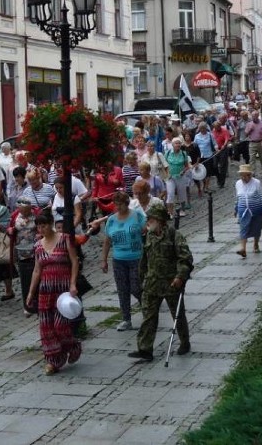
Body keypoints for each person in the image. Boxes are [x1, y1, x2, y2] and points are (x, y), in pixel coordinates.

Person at [128, 204, 193, 362]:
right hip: (152, 284)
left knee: (177, 316)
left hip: (171, 284)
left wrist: (180, 277)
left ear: (159, 219)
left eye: (150, 218)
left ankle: (185, 342)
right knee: (148, 317)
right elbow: (145, 258)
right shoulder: (149, 236)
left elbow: (185, 259)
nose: (148, 221)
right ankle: (145, 349)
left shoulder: (174, 235)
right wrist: (141, 277)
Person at [26, 210, 81, 375]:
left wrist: (72, 283)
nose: (41, 229)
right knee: (47, 327)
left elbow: (74, 261)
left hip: (62, 289)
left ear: (50, 224)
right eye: (38, 227)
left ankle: (72, 345)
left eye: (43, 226)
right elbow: (37, 270)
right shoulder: (37, 246)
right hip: (45, 290)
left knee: (60, 325)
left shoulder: (64, 239)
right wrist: (30, 293)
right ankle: (53, 360)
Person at [97, 191, 146, 331]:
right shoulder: (112, 220)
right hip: (118, 259)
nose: (118, 207)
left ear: (126, 204)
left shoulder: (136, 215)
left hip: (136, 257)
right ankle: (126, 319)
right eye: (116, 205)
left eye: (120, 205)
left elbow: (146, 230)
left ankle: (147, 310)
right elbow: (107, 241)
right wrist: (104, 260)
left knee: (136, 287)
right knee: (122, 289)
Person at [10, 197, 38, 316]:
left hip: (35, 251)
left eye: (26, 210)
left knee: (37, 278)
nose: (24, 213)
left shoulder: (36, 214)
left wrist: (39, 234)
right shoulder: (16, 216)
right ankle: (27, 305)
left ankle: (38, 303)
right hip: (21, 252)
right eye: (21, 210)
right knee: (25, 281)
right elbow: (10, 228)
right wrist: (10, 230)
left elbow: (43, 227)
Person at [234, 164, 262, 258]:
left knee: (256, 228)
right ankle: (243, 249)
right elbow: (237, 197)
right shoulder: (238, 183)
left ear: (250, 175)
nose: (243, 177)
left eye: (245, 175)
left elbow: (261, 196)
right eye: (242, 175)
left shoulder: (256, 182)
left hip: (256, 209)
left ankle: (256, 244)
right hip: (243, 210)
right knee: (243, 229)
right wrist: (235, 208)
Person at [164, 137, 192, 217]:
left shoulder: (183, 153)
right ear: (172, 145)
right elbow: (164, 165)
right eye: (176, 143)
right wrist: (167, 173)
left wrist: (183, 171)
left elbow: (187, 166)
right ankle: (170, 212)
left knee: (182, 193)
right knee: (170, 193)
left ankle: (182, 210)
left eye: (179, 143)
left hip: (180, 176)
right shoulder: (168, 153)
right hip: (170, 177)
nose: (178, 145)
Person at [244, 111, 262, 177]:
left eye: (254, 116)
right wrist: (249, 129)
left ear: (257, 116)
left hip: (260, 142)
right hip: (252, 143)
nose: (253, 118)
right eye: (252, 116)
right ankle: (253, 173)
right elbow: (245, 134)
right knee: (252, 159)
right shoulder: (249, 124)